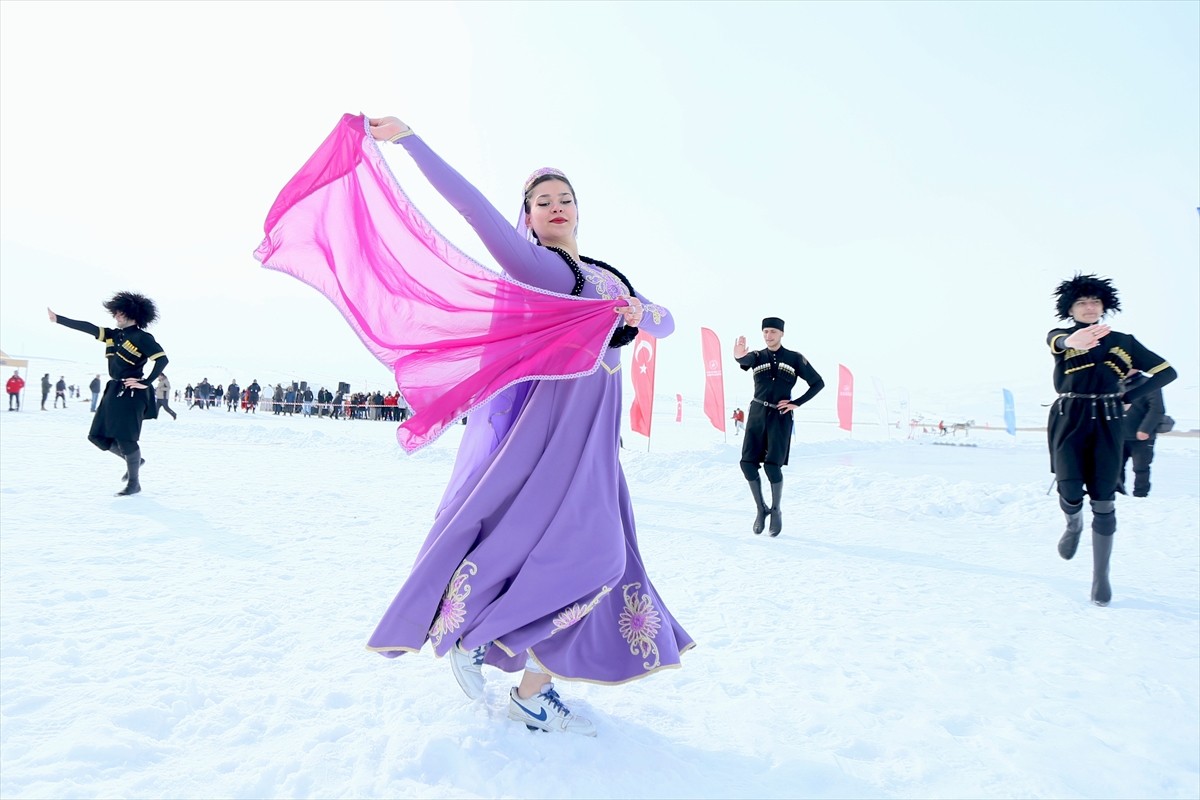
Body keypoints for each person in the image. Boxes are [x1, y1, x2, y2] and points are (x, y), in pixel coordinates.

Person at [256, 113, 693, 736]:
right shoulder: (545, 271)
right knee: (595, 555)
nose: (557, 207)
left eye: (566, 198)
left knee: (605, 561)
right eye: (543, 202)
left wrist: (635, 307)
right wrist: (412, 143)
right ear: (530, 215)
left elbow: (666, 322)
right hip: (556, 438)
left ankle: (531, 691)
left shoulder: (603, 272)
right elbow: (475, 213)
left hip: (595, 440)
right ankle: (479, 639)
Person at [1047, 274, 1176, 606]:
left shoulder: (1124, 341)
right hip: (1070, 416)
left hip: (1108, 420)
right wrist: (1072, 341)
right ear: (1071, 308)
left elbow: (1167, 372)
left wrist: (1130, 394)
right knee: (1070, 488)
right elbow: (1057, 341)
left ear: (1104, 306)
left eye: (1095, 302)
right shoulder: (1063, 335)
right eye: (1082, 302)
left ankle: (1100, 577)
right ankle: (1073, 524)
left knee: (1104, 499)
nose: (1089, 307)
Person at [47, 292, 168, 496]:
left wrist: (145, 382)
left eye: (120, 313)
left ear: (133, 314)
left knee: (126, 439)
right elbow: (89, 327)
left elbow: (162, 360)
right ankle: (135, 460)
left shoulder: (142, 337)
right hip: (113, 389)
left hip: (132, 392)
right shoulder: (114, 335)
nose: (116, 317)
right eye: (115, 313)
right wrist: (58, 319)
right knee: (96, 436)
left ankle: (134, 483)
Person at [733, 318, 824, 536]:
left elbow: (818, 383)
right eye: (765, 331)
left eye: (773, 331)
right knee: (747, 463)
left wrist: (796, 403)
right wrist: (738, 355)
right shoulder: (757, 356)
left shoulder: (794, 358)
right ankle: (760, 509)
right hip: (756, 414)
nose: (768, 335)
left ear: (781, 334)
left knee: (772, 467)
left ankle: (775, 510)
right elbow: (744, 359)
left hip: (780, 417)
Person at [1118, 369, 1166, 498]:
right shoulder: (1115, 384)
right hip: (1118, 436)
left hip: (1142, 438)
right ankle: (1119, 495)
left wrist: (1145, 429)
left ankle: (1140, 496)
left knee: (1141, 468)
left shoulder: (1148, 384)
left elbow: (1157, 409)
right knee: (1116, 468)